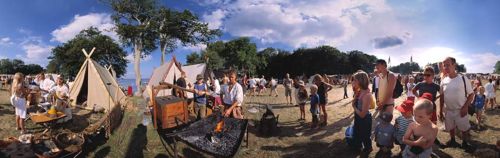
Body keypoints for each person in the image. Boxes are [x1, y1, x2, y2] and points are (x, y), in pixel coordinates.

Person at [439, 57, 474, 149]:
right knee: (450, 127)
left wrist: (465, 107)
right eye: (444, 65)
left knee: (464, 128)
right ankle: (453, 140)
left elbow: (471, 94)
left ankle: (465, 142)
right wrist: (440, 110)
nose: (446, 67)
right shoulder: (443, 81)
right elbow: (442, 97)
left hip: (461, 109)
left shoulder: (463, 78)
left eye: (448, 65)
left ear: (454, 65)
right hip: (448, 110)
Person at [351, 70, 373, 154]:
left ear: (360, 81)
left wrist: (354, 107)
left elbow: (363, 114)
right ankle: (358, 147)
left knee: (365, 136)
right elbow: (354, 101)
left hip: (364, 119)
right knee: (357, 133)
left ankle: (368, 148)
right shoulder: (359, 91)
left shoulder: (367, 95)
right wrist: (356, 94)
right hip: (358, 117)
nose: (353, 82)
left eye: (355, 80)